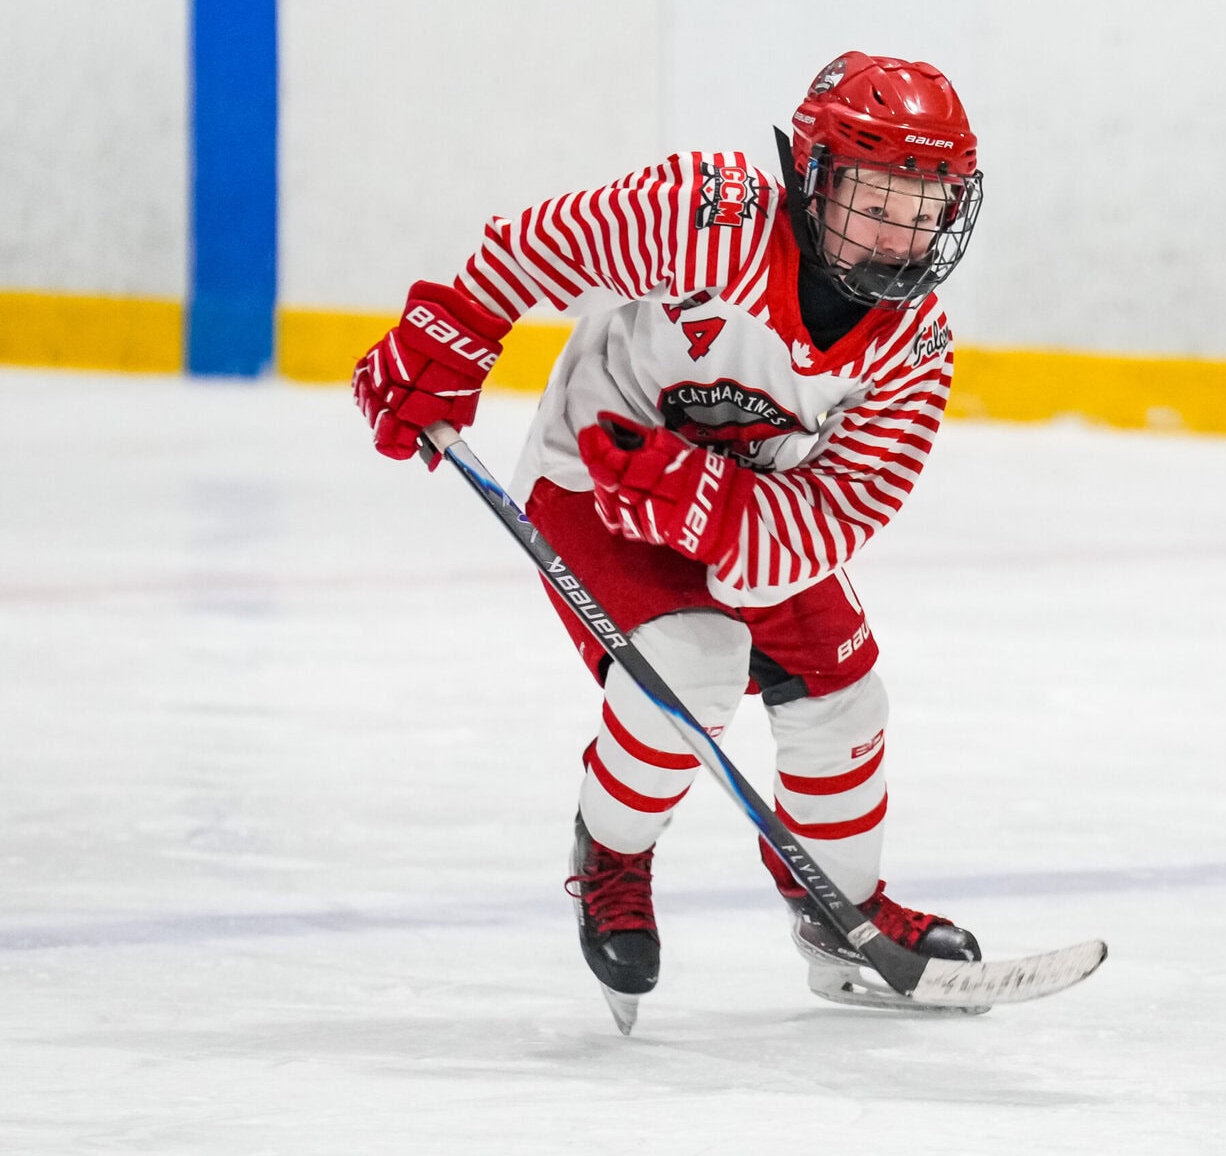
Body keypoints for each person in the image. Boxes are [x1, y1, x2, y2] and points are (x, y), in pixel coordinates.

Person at [351, 52, 986, 1020]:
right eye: (875, 199)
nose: (900, 235)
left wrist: (708, 505)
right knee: (690, 662)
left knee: (846, 698)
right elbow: (539, 245)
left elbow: (844, 507)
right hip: (591, 474)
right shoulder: (709, 215)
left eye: (924, 205)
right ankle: (610, 854)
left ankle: (841, 919)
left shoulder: (914, 348)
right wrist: (454, 335)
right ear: (810, 180)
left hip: (747, 507)